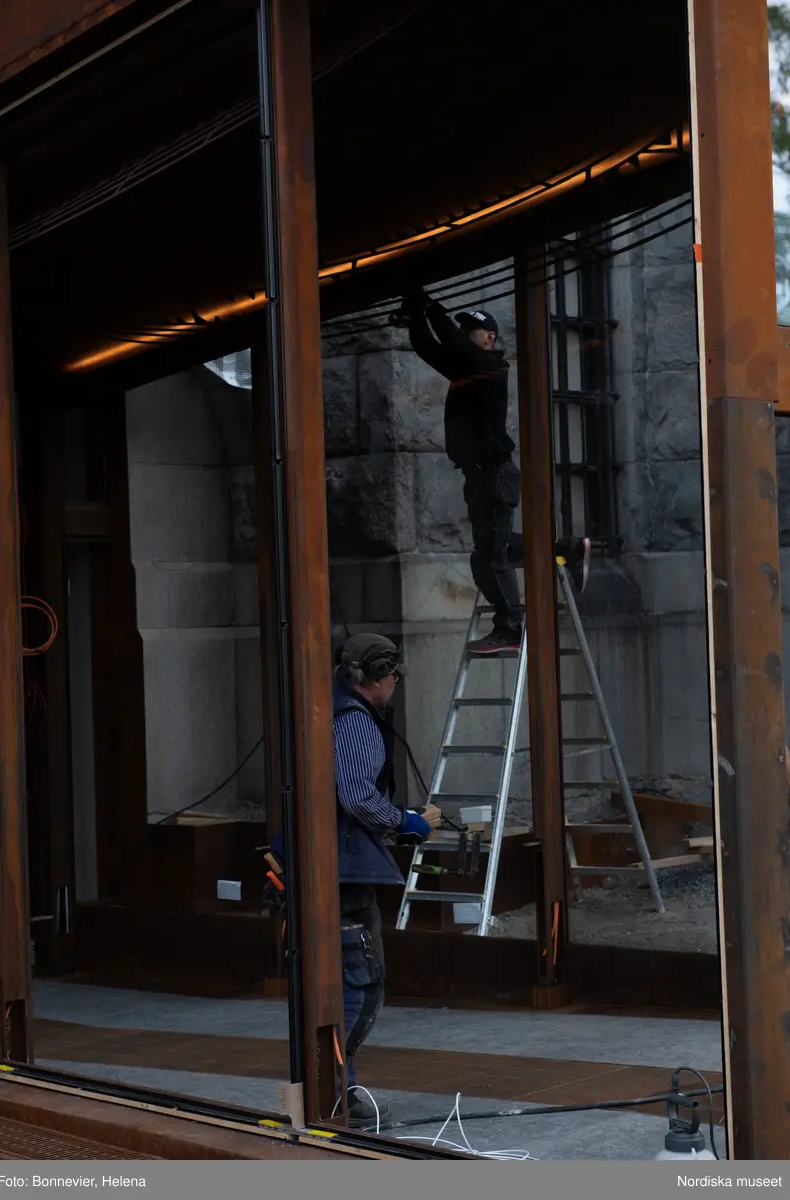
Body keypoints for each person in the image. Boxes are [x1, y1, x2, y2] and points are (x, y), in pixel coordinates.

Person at [268, 632, 440, 1129]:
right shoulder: (357, 724)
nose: (395, 682)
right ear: (377, 675)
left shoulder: (333, 710)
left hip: (322, 869)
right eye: (393, 673)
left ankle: (337, 1092)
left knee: (341, 984)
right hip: (335, 877)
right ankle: (332, 1093)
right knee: (358, 990)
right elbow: (357, 797)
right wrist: (406, 821)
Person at [402, 289, 591, 656]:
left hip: (494, 475)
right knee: (490, 549)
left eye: (471, 329)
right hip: (479, 476)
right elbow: (430, 349)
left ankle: (509, 628)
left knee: (491, 557)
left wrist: (429, 305)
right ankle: (567, 549)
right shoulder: (468, 369)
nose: (465, 333)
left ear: (488, 338)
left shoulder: (489, 367)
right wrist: (415, 318)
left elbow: (453, 344)